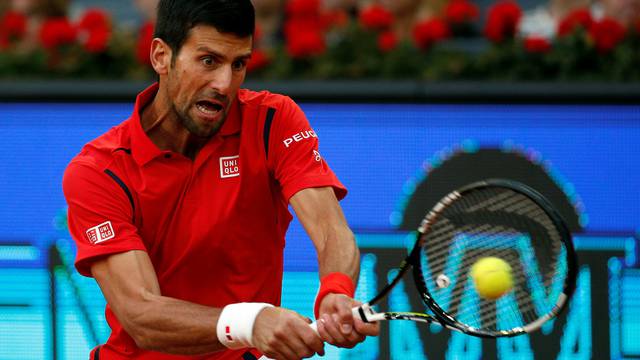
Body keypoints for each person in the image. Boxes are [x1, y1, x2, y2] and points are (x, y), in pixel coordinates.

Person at [62, 0, 379, 359]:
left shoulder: (272, 122)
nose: (224, 84)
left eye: (239, 64)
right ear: (161, 57)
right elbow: (141, 314)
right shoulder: (99, 171)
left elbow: (330, 228)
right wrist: (250, 322)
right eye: (208, 61)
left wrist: (336, 289)